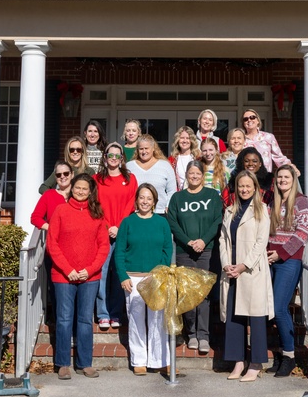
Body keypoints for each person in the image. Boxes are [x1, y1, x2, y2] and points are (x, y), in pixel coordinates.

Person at [46, 173, 109, 380]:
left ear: (91, 192)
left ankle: (85, 363)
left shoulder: (97, 213)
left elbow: (103, 246)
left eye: (85, 189)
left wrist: (90, 270)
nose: (81, 191)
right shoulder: (61, 211)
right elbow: (52, 244)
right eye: (77, 188)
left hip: (89, 277)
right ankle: (63, 363)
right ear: (71, 188)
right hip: (64, 276)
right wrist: (67, 268)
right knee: (63, 319)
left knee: (84, 320)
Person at [219, 169, 274, 382]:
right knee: (234, 316)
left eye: (248, 186)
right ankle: (237, 361)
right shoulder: (230, 209)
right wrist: (226, 264)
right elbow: (223, 239)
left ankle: (256, 363)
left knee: (256, 316)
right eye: (240, 186)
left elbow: (261, 242)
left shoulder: (261, 210)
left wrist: (243, 265)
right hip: (231, 270)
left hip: (251, 271)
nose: (244, 189)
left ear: (255, 188)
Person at [114, 184, 173, 375]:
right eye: (142, 198)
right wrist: (123, 276)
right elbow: (119, 252)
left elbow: (167, 250)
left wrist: (161, 273)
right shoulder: (127, 223)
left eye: (149, 198)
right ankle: (139, 360)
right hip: (133, 279)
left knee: (158, 320)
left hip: (156, 278)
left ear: (154, 201)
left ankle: (160, 359)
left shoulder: (162, 223)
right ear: (136, 200)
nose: (145, 201)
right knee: (136, 319)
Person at [166, 160, 223, 355]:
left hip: (206, 251)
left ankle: (204, 335)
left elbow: (217, 220)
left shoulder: (212, 196)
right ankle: (191, 333)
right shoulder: (177, 198)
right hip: (184, 251)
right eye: (191, 173)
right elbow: (173, 223)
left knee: (204, 295)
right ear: (186, 175)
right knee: (187, 293)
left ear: (202, 174)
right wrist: (189, 242)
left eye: (198, 173)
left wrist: (203, 241)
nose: (194, 176)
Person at [266, 164, 308, 377]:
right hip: (269, 260)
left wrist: (281, 254)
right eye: (280, 177)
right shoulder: (272, 200)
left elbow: (302, 233)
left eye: (286, 177)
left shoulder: (302, 201)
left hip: (289, 260)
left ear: (293, 179)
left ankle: (289, 356)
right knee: (269, 309)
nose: (283, 180)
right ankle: (277, 354)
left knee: (280, 307)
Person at [94, 142, 137, 330]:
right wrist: (107, 226)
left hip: (123, 232)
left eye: (117, 156)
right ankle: (102, 313)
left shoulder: (130, 179)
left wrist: (118, 227)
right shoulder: (96, 179)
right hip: (102, 233)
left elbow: (131, 204)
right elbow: (94, 204)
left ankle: (116, 313)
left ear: (122, 159)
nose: (113, 159)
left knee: (119, 273)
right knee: (102, 274)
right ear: (105, 158)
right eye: (110, 156)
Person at [126, 134, 176, 215]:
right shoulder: (129, 166)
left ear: (153, 149)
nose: (144, 151)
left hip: (160, 212)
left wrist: (168, 205)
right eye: (141, 149)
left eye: (146, 148)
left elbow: (172, 190)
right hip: (136, 213)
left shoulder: (165, 165)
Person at [240, 108, 292, 173]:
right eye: (245, 119)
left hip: (265, 179)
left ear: (258, 121)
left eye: (252, 117)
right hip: (246, 179)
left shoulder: (268, 137)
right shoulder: (240, 139)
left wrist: (291, 168)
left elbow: (279, 157)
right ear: (243, 123)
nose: (249, 120)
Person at [31, 160, 72, 231]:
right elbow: (35, 218)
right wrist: (52, 228)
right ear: (55, 178)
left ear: (72, 174)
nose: (62, 176)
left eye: (66, 173)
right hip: (55, 239)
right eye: (58, 175)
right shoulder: (49, 195)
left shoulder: (79, 194)